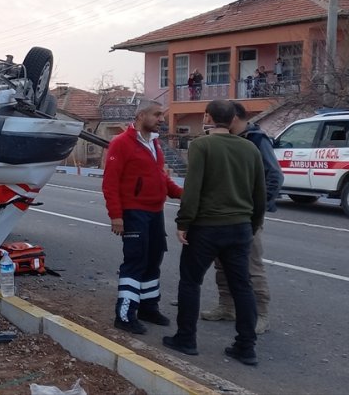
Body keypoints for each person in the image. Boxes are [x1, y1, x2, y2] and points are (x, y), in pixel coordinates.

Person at [163, 99, 266, 366]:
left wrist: (183, 222)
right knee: (242, 286)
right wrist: (252, 225)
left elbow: (193, 188)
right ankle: (246, 347)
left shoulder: (201, 145)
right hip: (241, 228)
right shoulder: (250, 148)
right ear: (233, 119)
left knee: (190, 282)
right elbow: (259, 193)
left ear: (207, 116)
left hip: (207, 228)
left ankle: (186, 339)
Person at [102, 99, 183, 334]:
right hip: (134, 212)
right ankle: (124, 314)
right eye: (157, 115)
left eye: (162, 115)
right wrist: (116, 216)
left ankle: (149, 307)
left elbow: (161, 177)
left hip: (154, 212)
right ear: (140, 116)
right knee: (135, 262)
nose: (162, 119)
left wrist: (181, 194)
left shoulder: (154, 144)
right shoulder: (121, 143)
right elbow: (110, 183)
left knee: (153, 260)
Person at [201, 102, 282, 334]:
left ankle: (261, 313)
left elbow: (274, 176)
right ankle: (227, 306)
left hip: (246, 216)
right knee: (222, 263)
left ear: (233, 118)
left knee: (251, 265)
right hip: (224, 215)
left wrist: (258, 209)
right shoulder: (226, 139)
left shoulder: (256, 139)